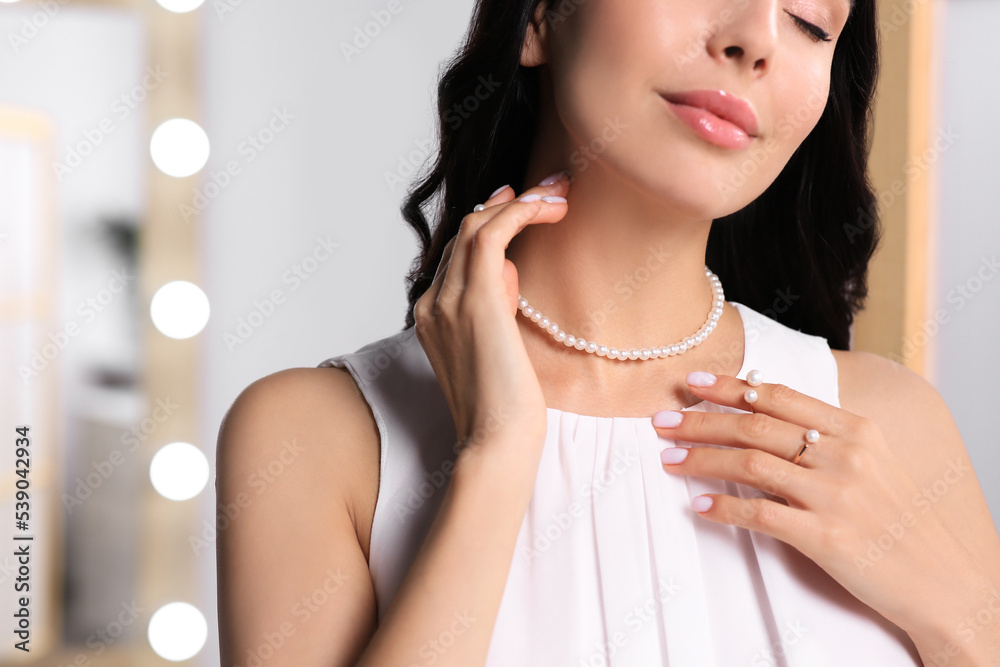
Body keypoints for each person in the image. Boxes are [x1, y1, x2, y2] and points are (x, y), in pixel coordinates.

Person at [216, 1, 1000, 665]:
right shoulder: (313, 438)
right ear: (540, 20)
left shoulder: (885, 425)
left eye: (809, 22)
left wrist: (959, 614)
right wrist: (495, 456)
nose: (758, 37)